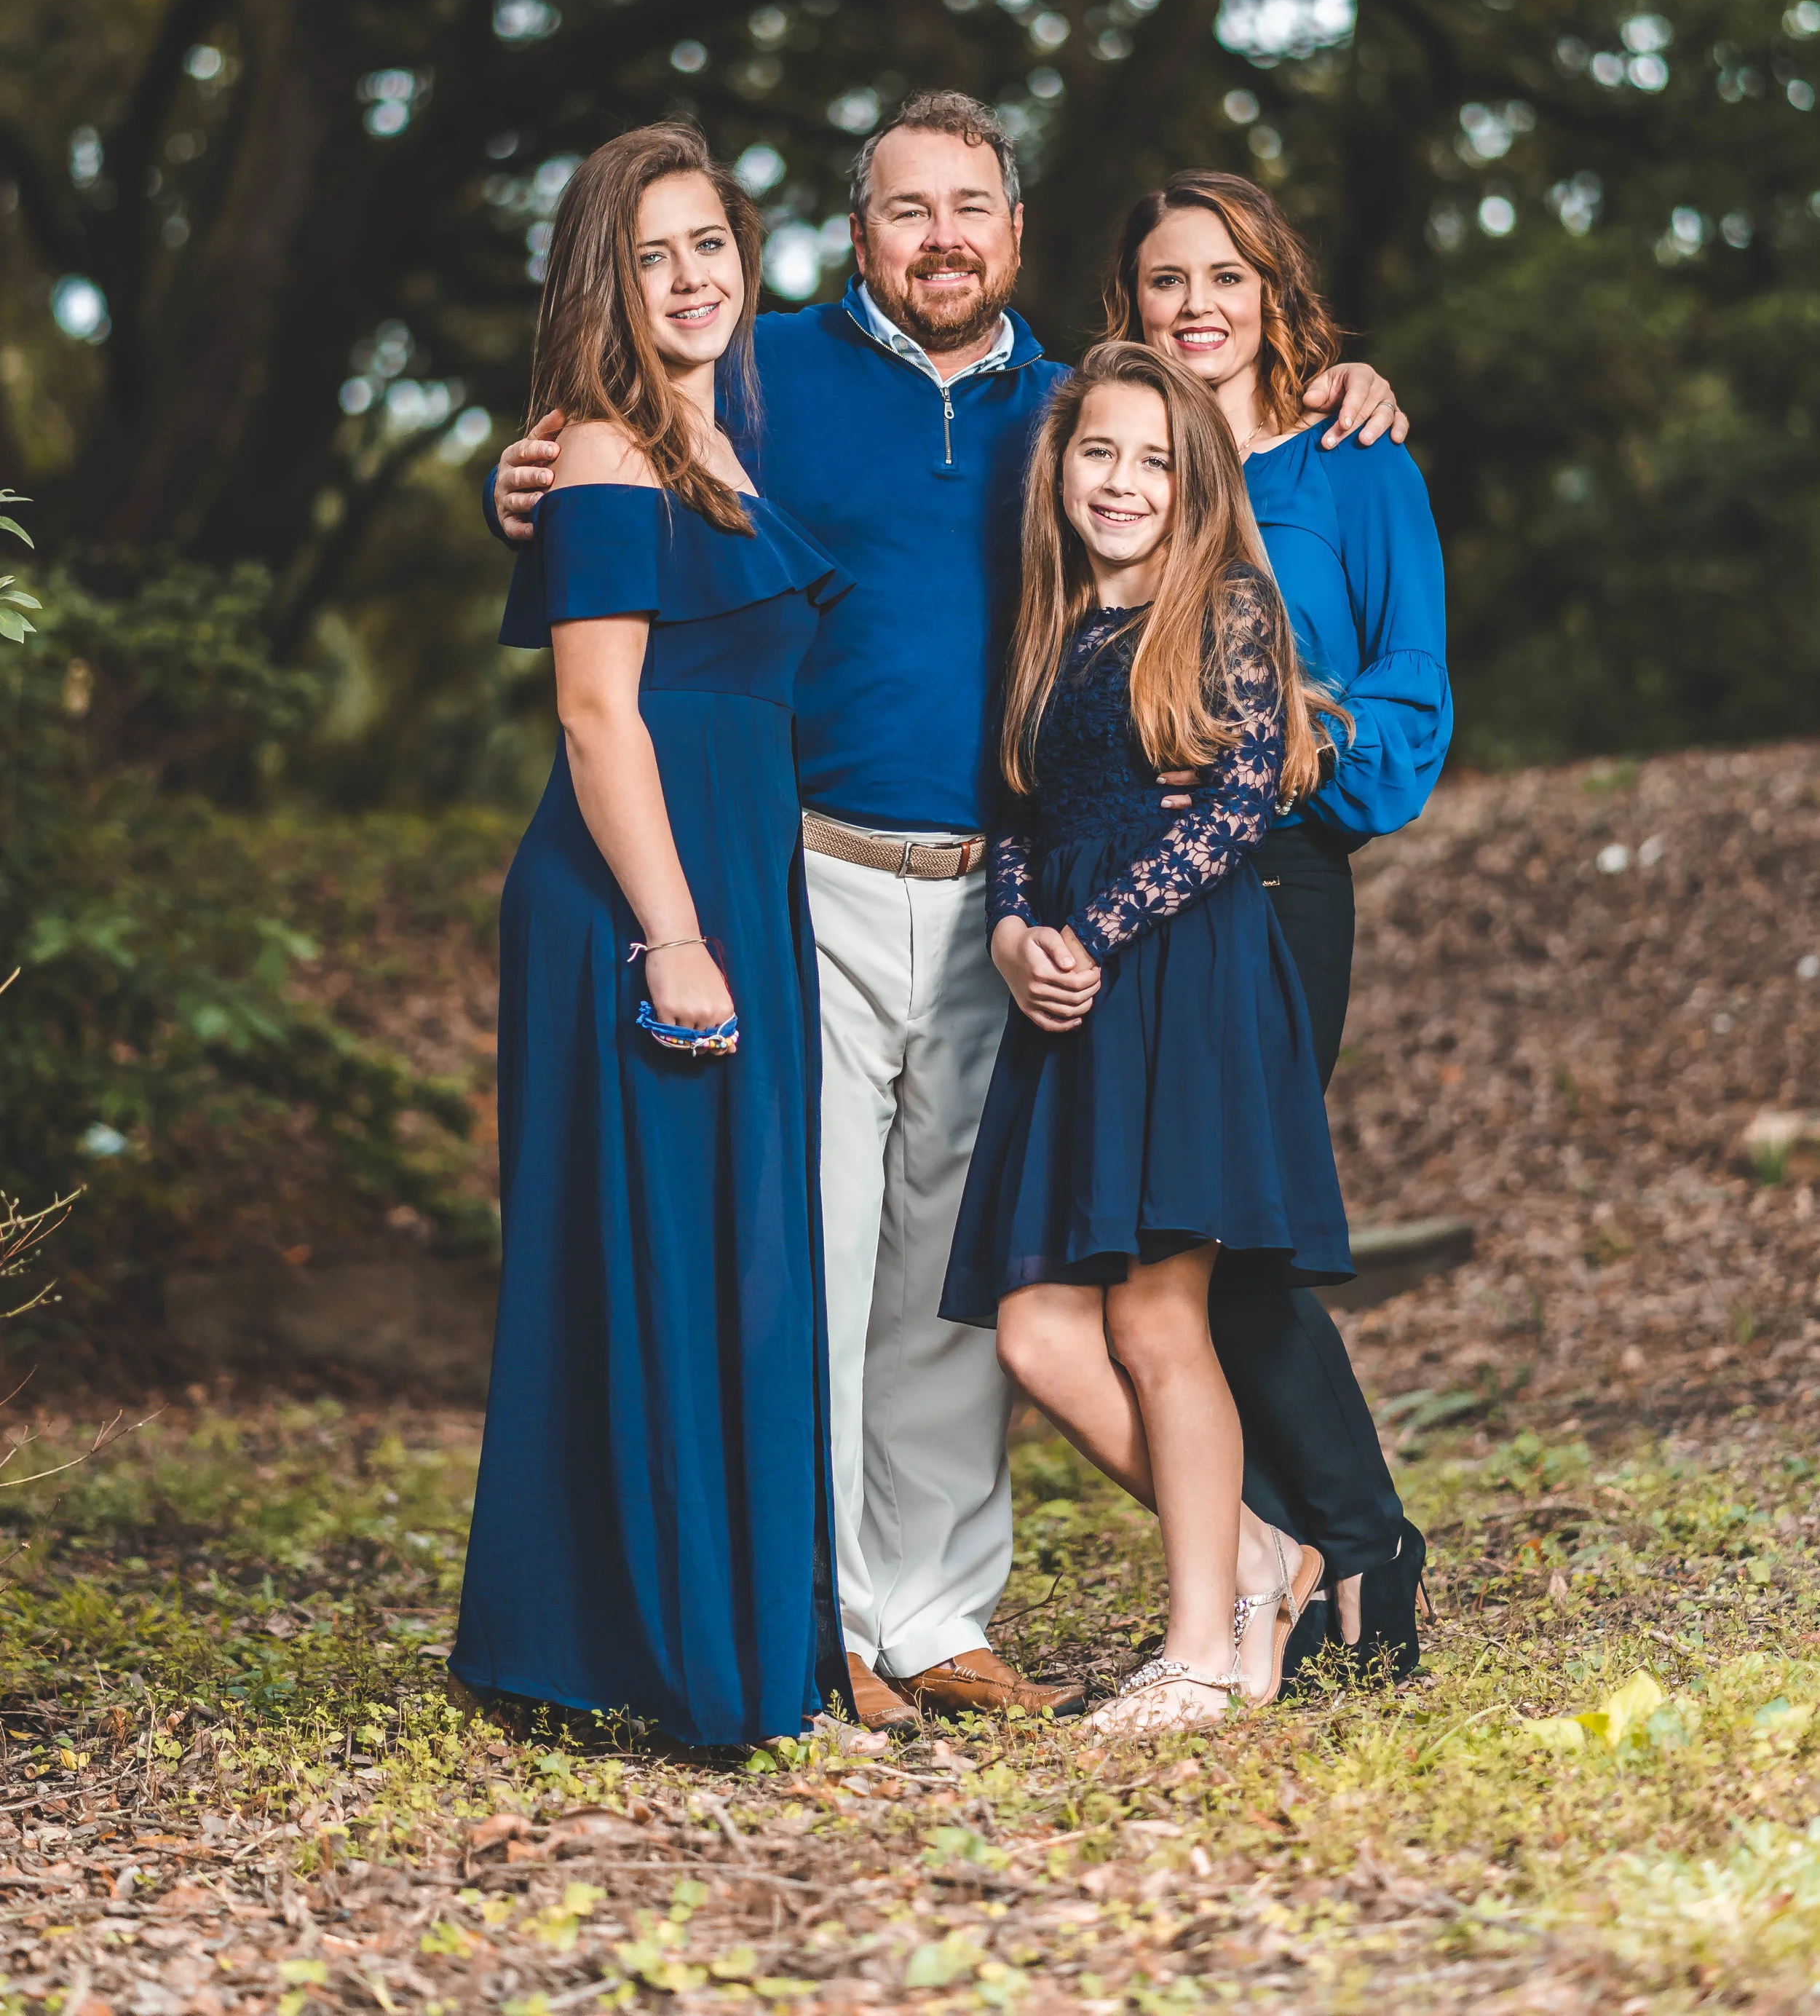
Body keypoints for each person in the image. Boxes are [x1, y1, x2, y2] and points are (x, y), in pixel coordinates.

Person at [487, 92, 1403, 1731]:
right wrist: (529, 469)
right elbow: (632, 446)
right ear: (859, 231)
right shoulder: (759, 374)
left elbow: (1215, 459)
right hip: (806, 876)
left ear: (1016, 231)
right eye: (907, 209)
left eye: (970, 207)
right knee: (815, 1255)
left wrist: (1341, 380)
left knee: (952, 1280)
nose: (941, 238)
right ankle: (816, 1612)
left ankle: (930, 1609)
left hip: (1001, 897)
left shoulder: (1068, 407)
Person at [450, 122, 849, 1750]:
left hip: (728, 890)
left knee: (716, 1267)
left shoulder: (719, 437)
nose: (688, 280)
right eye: (651, 254)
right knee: (672, 1268)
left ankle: (673, 1634)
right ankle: (670, 1656)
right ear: (602, 282)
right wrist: (674, 943)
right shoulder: (607, 454)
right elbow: (597, 717)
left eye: (709, 246)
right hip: (641, 905)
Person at [943, 341, 1353, 1733]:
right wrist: (1014, 933)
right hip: (1062, 984)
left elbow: (1238, 810)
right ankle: (1255, 1552)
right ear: (1058, 468)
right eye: (1097, 453)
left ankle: (1195, 1646)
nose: (1121, 481)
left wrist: (1097, 935)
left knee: (1156, 1313)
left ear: (1195, 483)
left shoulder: (1226, 605)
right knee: (1037, 1331)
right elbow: (1017, 812)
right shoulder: (1050, 622)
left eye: (1154, 460)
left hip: (1177, 976)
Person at [1101, 173, 1451, 1685]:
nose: (1195, 307)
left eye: (1223, 277)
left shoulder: (1353, 458)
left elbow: (1413, 702)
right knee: (1159, 1243)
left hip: (1273, 887)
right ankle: (1283, 1566)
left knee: (1226, 1233)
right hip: (1123, 899)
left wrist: (1285, 733)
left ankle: (1354, 1550)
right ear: (1131, 307)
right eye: (1166, 281)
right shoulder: (1102, 449)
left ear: (1269, 294)